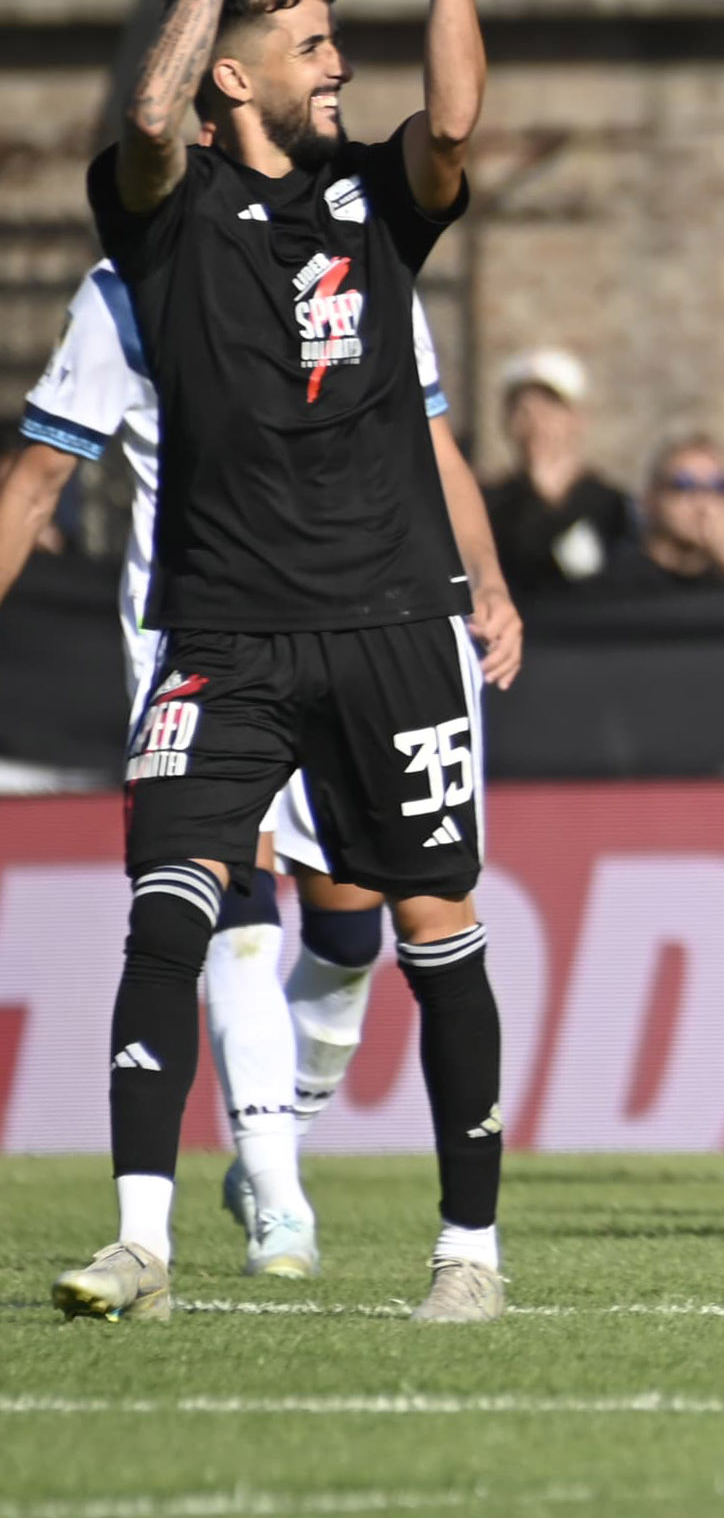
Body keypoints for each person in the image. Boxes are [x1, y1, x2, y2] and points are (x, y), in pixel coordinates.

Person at [54, 0, 512, 1324]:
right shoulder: (165, 231)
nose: (340, 67)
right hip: (222, 635)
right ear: (237, 74)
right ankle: (143, 1239)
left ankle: (468, 1255)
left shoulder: (377, 204)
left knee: (431, 921)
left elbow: (451, 128)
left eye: (337, 42)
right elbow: (140, 123)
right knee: (168, 908)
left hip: (391, 620)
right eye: (313, 45)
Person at [6, 257, 519, 1281]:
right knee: (212, 892)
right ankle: (268, 1201)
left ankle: (278, 1142)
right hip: (200, 642)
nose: (335, 90)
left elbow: (429, 438)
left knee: (348, 924)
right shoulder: (132, 288)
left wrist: (488, 579)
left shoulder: (362, 251)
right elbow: (35, 485)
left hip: (358, 637)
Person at [481, 348, 635, 594]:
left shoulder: (612, 506)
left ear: (577, 419)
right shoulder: (489, 504)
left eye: (548, 410)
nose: (536, 424)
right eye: (523, 412)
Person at [609, 435, 724, 588]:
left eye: (719, 487)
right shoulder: (616, 586)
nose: (704, 504)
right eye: (685, 485)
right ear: (649, 500)